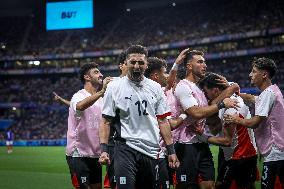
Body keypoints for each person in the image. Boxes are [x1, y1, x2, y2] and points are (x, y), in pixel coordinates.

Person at [99, 45, 179, 189]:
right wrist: (104, 149)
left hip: (150, 149)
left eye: (141, 62)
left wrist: (171, 151)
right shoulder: (114, 87)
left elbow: (163, 121)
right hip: (125, 148)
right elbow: (106, 120)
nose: (137, 65)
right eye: (133, 62)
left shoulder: (155, 88)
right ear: (126, 63)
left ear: (146, 64)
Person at [174, 49, 239, 189]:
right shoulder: (183, 87)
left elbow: (212, 105)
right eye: (200, 62)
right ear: (189, 66)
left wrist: (231, 87)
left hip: (201, 143)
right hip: (186, 145)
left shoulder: (199, 89)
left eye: (204, 62)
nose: (205, 65)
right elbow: (196, 113)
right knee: (186, 186)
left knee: (209, 185)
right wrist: (223, 103)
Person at [224, 57, 284, 189]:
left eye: (254, 71)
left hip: (275, 151)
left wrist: (236, 119)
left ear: (264, 74)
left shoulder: (268, 94)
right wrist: (236, 94)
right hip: (276, 151)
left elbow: (255, 122)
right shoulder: (272, 91)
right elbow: (252, 98)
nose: (250, 74)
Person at [199, 73, 258, 189]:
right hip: (237, 153)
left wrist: (202, 136)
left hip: (242, 154)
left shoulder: (229, 109)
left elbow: (227, 141)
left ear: (215, 90)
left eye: (206, 92)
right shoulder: (228, 90)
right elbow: (234, 85)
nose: (205, 95)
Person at [145, 56, 188, 189]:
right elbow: (170, 124)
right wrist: (187, 113)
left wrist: (176, 64)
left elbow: (169, 82)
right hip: (154, 152)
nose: (168, 75)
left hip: (155, 151)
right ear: (156, 76)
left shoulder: (155, 92)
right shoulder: (155, 95)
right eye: (165, 72)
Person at [66, 62, 111, 189]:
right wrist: (102, 91)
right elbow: (80, 106)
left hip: (96, 154)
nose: (101, 74)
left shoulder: (102, 99)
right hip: (79, 153)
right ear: (87, 77)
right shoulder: (78, 95)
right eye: (96, 72)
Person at [103, 50, 127, 189]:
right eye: (127, 63)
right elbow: (106, 113)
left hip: (136, 141)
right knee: (114, 180)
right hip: (115, 141)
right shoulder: (113, 83)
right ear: (121, 66)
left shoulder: (141, 83)